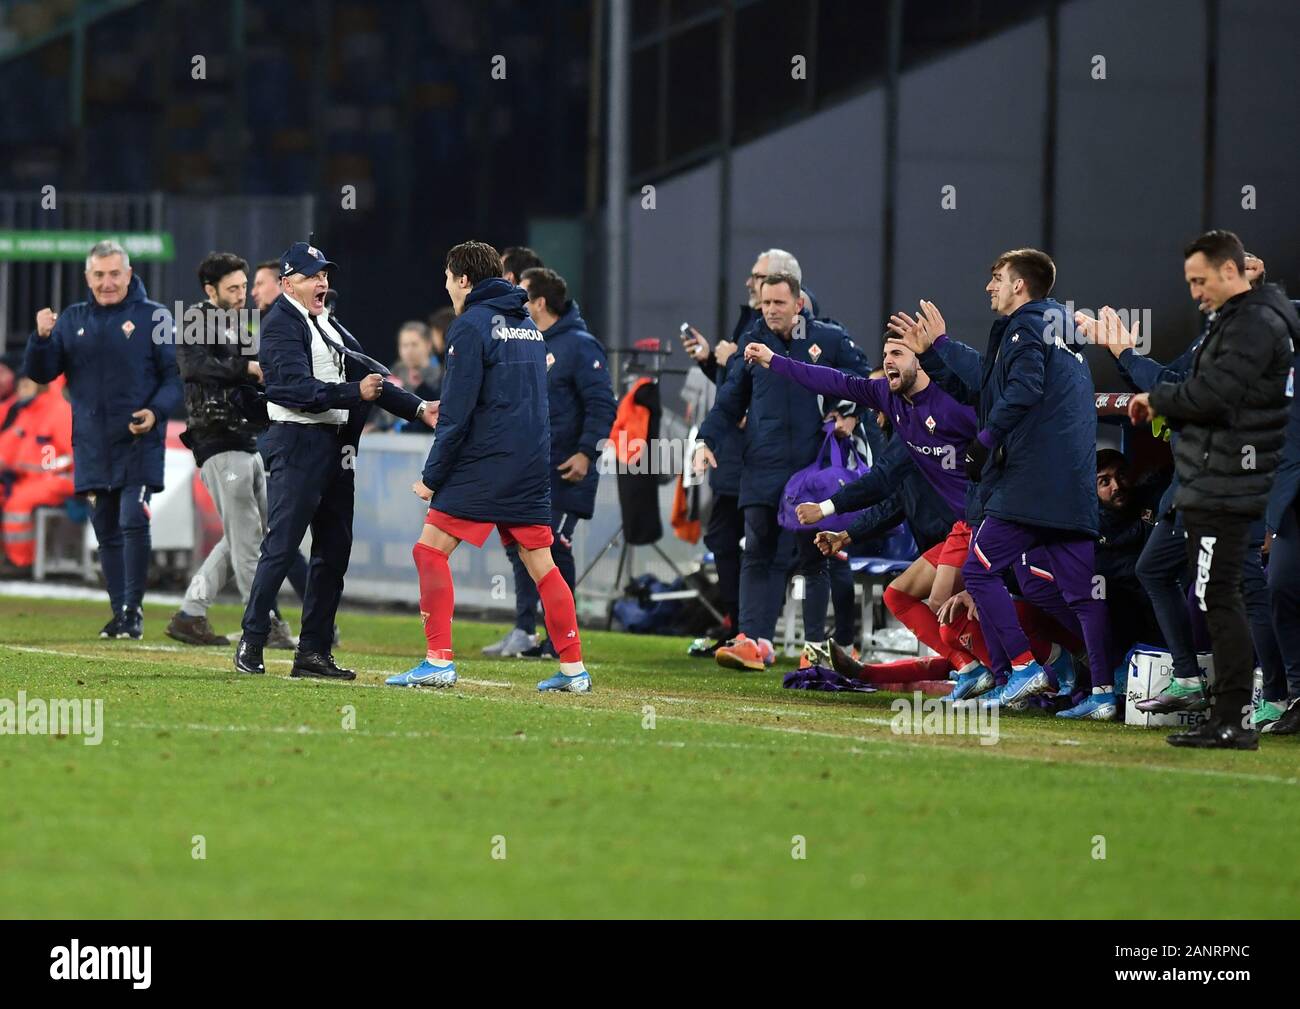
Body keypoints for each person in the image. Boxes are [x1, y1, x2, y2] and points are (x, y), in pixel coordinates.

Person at [901, 250, 1112, 718]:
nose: (989, 287)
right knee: (1078, 594)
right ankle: (1102, 691)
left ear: (1020, 285)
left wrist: (985, 440)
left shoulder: (1023, 326)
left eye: (996, 278)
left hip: (1032, 486)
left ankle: (1022, 670)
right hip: (1073, 488)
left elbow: (1018, 389)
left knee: (979, 571)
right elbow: (991, 383)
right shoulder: (1061, 331)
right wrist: (939, 349)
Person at [385, 241, 591, 692]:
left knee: (429, 551)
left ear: (463, 280)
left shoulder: (470, 326)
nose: (445, 286)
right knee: (542, 562)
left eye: (446, 277)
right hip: (531, 465)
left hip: (484, 463)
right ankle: (574, 670)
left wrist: (431, 476)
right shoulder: (528, 325)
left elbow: (456, 414)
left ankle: (438, 661)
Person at [747, 332, 1001, 697]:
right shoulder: (895, 405)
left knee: (942, 607)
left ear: (921, 360)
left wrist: (826, 508)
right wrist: (774, 360)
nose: (888, 361)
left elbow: (882, 483)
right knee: (899, 596)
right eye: (885, 355)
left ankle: (1014, 668)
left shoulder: (953, 405)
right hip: (958, 531)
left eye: (898, 353)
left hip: (986, 525)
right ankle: (972, 667)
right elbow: (831, 380)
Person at [1127, 229, 1297, 749]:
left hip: (1239, 481)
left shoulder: (1256, 323)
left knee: (1227, 596)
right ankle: (1234, 713)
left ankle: (1234, 718)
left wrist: (1162, 401)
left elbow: (1219, 393)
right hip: (1235, 478)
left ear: (1232, 271)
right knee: (1232, 594)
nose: (1195, 292)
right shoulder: (1245, 322)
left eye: (1201, 281)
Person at [232, 241, 434, 678]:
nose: (322, 281)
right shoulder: (279, 324)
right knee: (283, 547)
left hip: (336, 448)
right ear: (288, 284)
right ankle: (252, 640)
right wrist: (350, 393)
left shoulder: (328, 323)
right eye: (311, 275)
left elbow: (371, 377)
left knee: (333, 552)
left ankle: (313, 652)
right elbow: (291, 390)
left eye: (324, 274)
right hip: (297, 443)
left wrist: (419, 408)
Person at [693, 272, 873, 671]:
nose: (770, 310)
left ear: (798, 305)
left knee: (814, 557)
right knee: (755, 551)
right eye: (765, 303)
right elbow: (729, 401)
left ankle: (814, 648)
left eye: (778, 302)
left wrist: (849, 413)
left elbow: (865, 378)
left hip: (812, 469)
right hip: (761, 464)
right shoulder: (750, 345)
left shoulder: (827, 339)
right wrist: (705, 441)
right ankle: (751, 640)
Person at [24, 240, 183, 639]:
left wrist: (155, 412)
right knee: (105, 527)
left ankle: (134, 609)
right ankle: (120, 614)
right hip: (92, 443)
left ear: (129, 274)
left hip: (138, 440)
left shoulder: (156, 317)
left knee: (133, 518)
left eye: (115, 274)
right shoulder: (72, 319)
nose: (108, 282)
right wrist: (41, 339)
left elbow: (174, 379)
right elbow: (42, 373)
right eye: (99, 275)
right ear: (87, 278)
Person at [481, 267, 616, 659]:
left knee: (554, 548)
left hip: (566, 467)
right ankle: (533, 631)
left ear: (539, 301)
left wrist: (587, 452)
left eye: (523, 294)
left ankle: (562, 639)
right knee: (529, 548)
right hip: (534, 466)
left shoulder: (579, 344)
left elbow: (602, 404)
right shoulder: (532, 340)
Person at [164, 252, 296, 650]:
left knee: (242, 538)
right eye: (233, 288)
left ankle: (191, 614)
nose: (242, 295)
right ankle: (263, 624)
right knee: (249, 542)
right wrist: (247, 369)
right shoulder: (194, 319)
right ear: (210, 290)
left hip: (245, 440)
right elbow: (193, 368)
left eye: (244, 286)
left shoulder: (237, 323)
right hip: (218, 441)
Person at [0, 371, 74, 576]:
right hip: (28, 479)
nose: (19, 392)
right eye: (19, 387)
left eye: (25, 386)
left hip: (60, 479)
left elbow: (74, 454)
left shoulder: (60, 412)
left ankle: (21, 562)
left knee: (18, 502)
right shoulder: (28, 412)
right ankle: (7, 555)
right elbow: (8, 446)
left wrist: (49, 468)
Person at [369, 320, 442, 432]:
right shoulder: (394, 371)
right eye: (404, 345)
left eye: (414, 344)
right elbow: (381, 414)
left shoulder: (441, 375)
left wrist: (398, 429)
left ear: (428, 345)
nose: (409, 350)